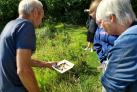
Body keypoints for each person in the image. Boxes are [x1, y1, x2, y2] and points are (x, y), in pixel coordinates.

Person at [0, 0, 57, 92]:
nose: (41, 21)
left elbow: (19, 60)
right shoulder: (26, 26)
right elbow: (23, 70)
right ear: (35, 12)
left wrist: (47, 64)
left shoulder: (10, 25)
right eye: (42, 16)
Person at [96, 0, 137, 91]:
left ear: (111, 18)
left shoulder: (128, 42)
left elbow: (111, 88)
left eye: (101, 22)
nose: (101, 27)